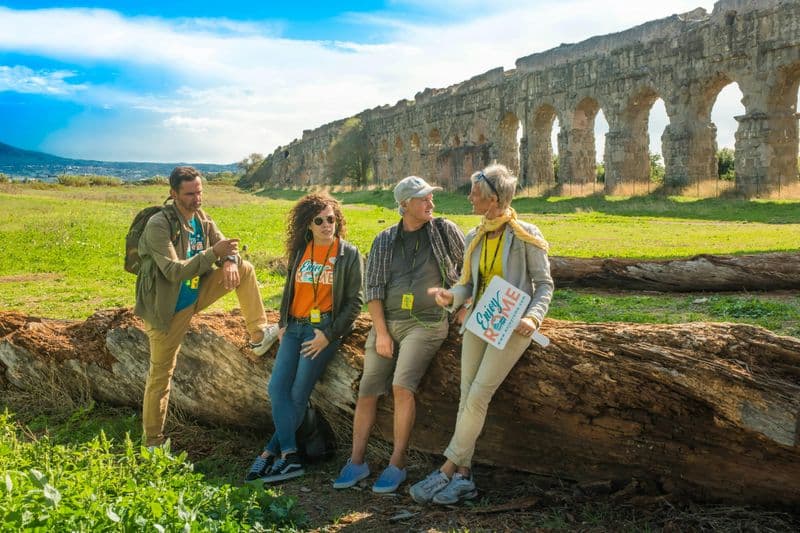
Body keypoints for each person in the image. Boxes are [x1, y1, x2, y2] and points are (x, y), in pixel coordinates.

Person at [409, 163, 554, 505]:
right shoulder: (474, 236)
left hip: (514, 321)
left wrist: (534, 319)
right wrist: (451, 297)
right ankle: (464, 476)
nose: (469, 197)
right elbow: (467, 285)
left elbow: (545, 284)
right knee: (466, 394)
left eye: (475, 192)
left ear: (493, 198)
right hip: (481, 318)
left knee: (478, 395)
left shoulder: (525, 233)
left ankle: (445, 469)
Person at [333, 176, 465, 494]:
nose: (431, 203)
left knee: (401, 386)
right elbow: (374, 290)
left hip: (428, 323)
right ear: (404, 205)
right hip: (388, 322)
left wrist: (464, 303)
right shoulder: (384, 240)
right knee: (368, 389)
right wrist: (381, 332)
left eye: (431, 196)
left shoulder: (445, 230)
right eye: (423, 199)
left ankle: (397, 463)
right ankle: (357, 460)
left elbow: (468, 271)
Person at [136, 166, 278, 449]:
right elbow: (174, 271)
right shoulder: (158, 225)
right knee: (161, 375)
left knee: (244, 269)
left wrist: (227, 261)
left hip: (194, 296)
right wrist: (215, 253)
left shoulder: (202, 218)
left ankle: (259, 335)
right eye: (190, 194)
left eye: (199, 191)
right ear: (174, 194)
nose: (197, 199)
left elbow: (228, 248)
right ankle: (152, 443)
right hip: (167, 309)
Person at [245, 193, 364, 483]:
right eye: (319, 220)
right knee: (276, 389)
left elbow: (354, 302)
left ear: (338, 220)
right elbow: (290, 290)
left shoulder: (348, 254)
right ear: (308, 225)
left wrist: (328, 335)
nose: (326, 225)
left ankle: (271, 455)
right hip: (295, 328)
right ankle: (288, 454)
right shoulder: (301, 251)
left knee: (299, 393)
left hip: (321, 331)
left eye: (331, 219)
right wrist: (283, 321)